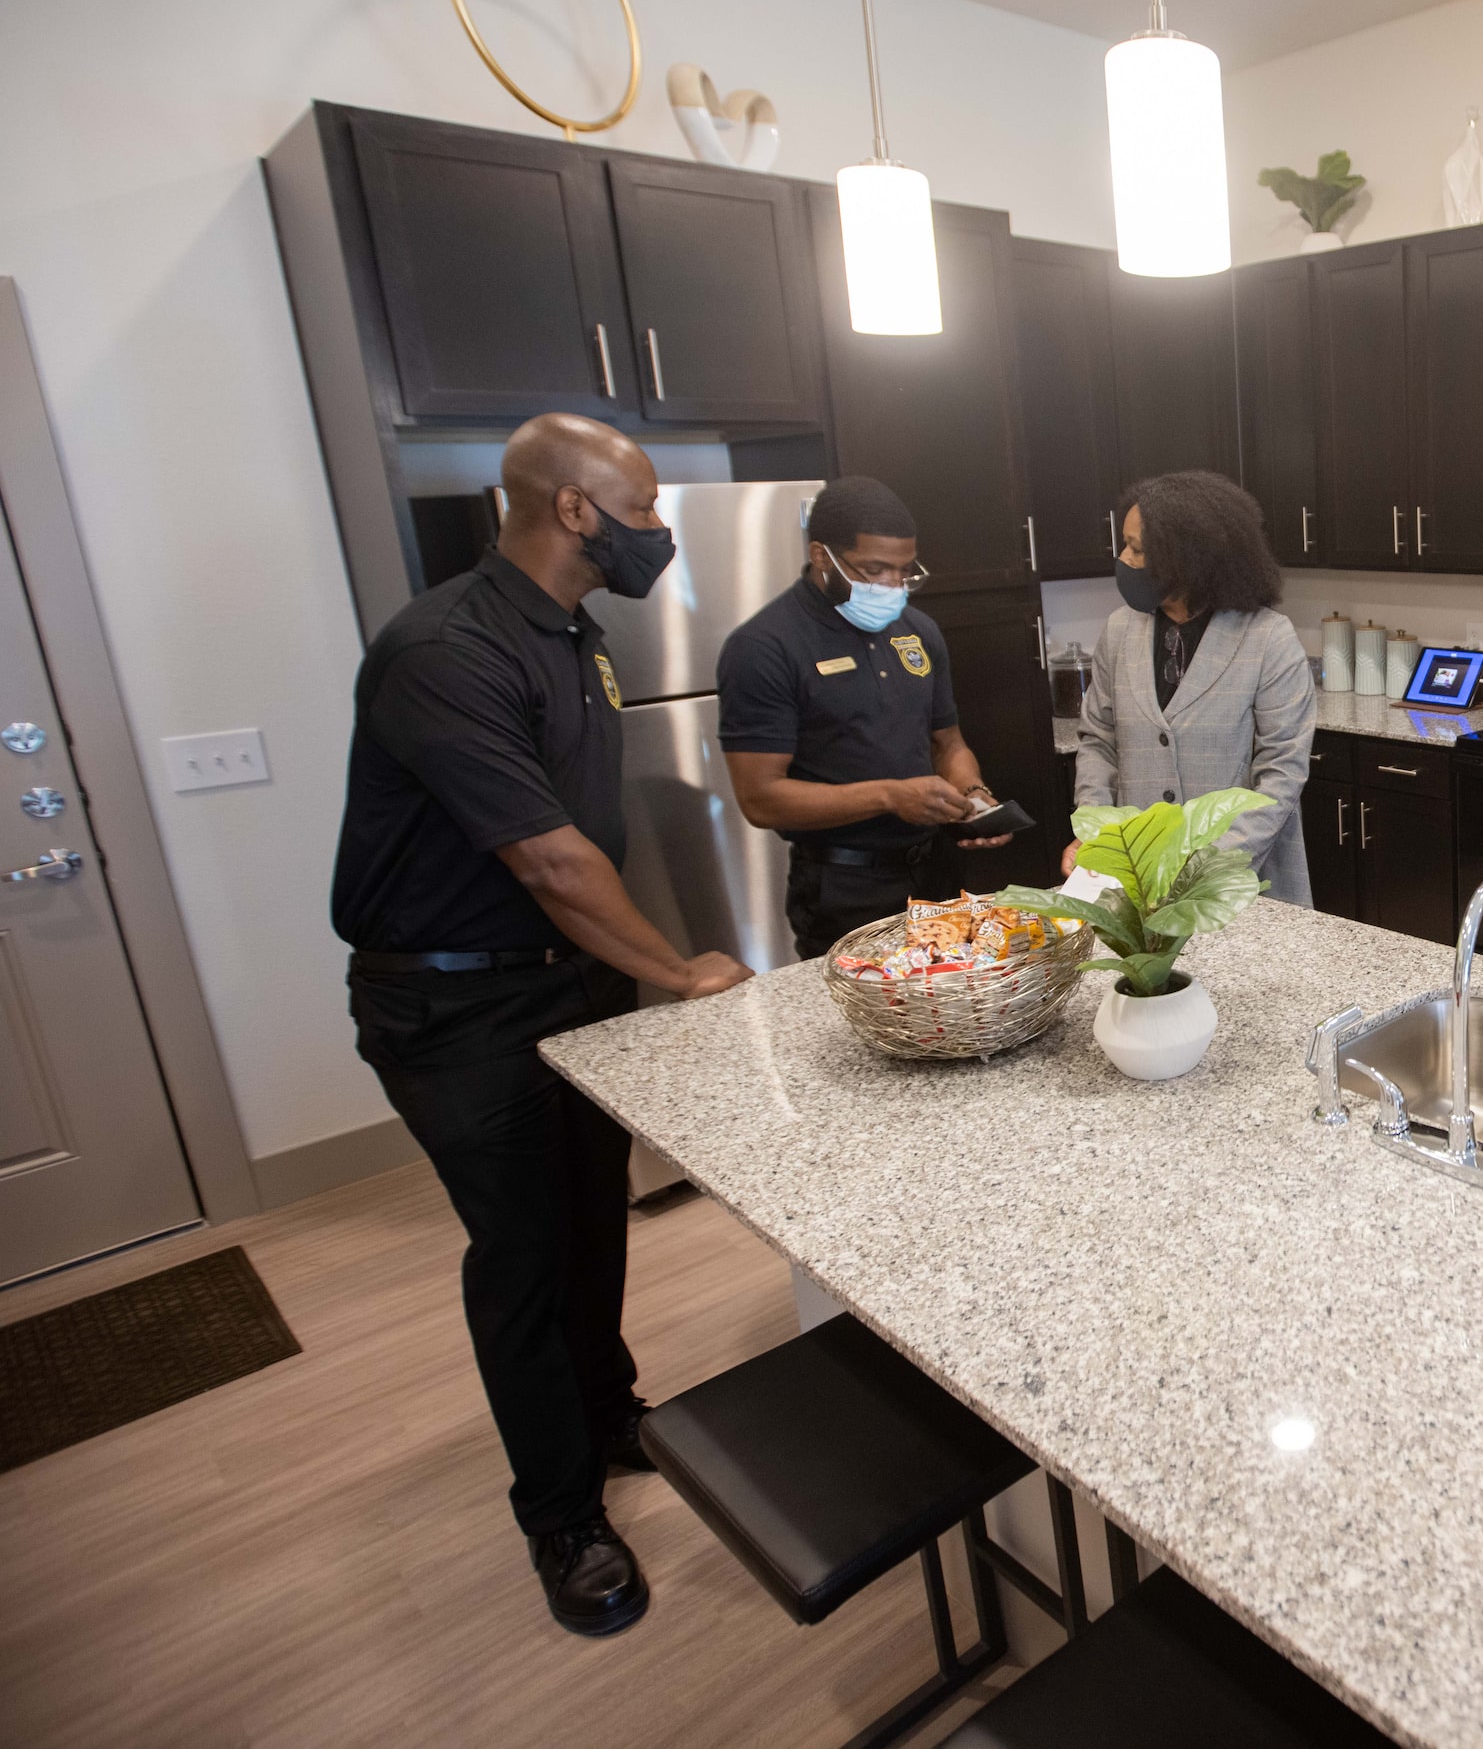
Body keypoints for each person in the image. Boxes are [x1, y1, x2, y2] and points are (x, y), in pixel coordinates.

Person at [332, 413, 754, 1639]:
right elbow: (549, 860)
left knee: (592, 1213)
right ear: (572, 510)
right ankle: (560, 1517)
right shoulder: (443, 649)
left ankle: (611, 1415)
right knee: (521, 1254)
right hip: (458, 1000)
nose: (657, 533)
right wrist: (676, 976)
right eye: (641, 509)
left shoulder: (575, 630)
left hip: (566, 981)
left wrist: (628, 975)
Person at [716, 476, 1013, 960]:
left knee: (950, 1011)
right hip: (844, 886)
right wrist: (890, 796)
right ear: (821, 557)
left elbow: (948, 743)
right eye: (874, 570)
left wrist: (974, 797)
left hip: (936, 870)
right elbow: (761, 798)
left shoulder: (918, 631)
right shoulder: (764, 647)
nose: (892, 586)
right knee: (860, 1026)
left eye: (904, 571)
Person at [1065, 472, 1315, 902]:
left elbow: (1281, 773)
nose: (1123, 558)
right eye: (1124, 544)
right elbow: (1098, 741)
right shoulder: (1119, 630)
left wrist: (1202, 868)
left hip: (1240, 883)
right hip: (1134, 881)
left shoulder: (1268, 638)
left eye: (1137, 549)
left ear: (1188, 559)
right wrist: (1096, 828)